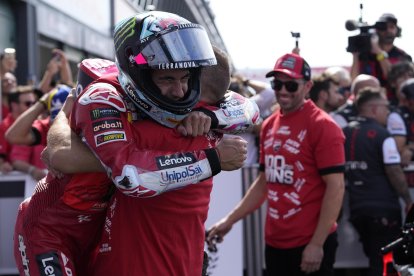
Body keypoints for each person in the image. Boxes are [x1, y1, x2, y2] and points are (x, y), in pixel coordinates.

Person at [13, 11, 257, 276]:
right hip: (51, 230)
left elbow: (248, 108)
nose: (180, 93)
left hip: (96, 234)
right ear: (138, 73)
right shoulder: (104, 96)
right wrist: (213, 159)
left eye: (186, 79)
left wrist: (209, 116)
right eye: (167, 79)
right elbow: (65, 156)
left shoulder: (188, 109)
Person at [207, 53, 345, 275]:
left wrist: (317, 244)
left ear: (308, 86)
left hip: (310, 243)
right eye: (277, 83)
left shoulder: (323, 126)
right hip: (275, 243)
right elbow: (263, 182)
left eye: (291, 85)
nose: (282, 90)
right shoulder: (269, 125)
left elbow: (336, 187)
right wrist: (228, 221)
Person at [343, 87, 412, 276]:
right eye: (385, 108)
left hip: (356, 210)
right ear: (374, 109)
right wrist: (408, 200)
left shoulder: (343, 133)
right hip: (384, 210)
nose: (388, 112)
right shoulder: (382, 134)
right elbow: (394, 171)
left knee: (375, 258)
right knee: (385, 265)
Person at [350, 13, 412, 105]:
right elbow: (354, 80)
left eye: (392, 27)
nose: (388, 31)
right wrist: (355, 56)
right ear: (377, 31)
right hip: (367, 102)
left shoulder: (402, 56)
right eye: (384, 28)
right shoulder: (365, 55)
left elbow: (392, 77)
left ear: (397, 30)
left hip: (393, 102)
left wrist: (379, 53)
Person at [0, 86, 37, 174]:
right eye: (28, 103)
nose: (32, 107)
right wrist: (2, 165)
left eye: (34, 103)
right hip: (14, 182)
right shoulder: (4, 127)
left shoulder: (37, 123)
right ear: (14, 105)